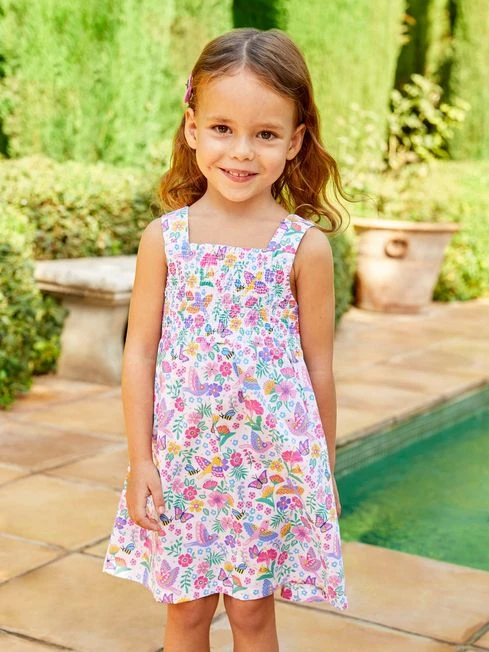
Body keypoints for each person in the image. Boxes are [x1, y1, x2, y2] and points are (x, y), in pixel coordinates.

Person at [103, 26, 350, 652]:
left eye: (265, 134)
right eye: (222, 128)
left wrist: (321, 472)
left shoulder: (304, 248)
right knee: (185, 615)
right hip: (184, 465)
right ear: (192, 128)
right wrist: (141, 461)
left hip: (267, 470)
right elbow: (140, 353)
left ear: (295, 141)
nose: (241, 152)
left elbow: (318, 368)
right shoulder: (165, 239)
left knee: (251, 615)